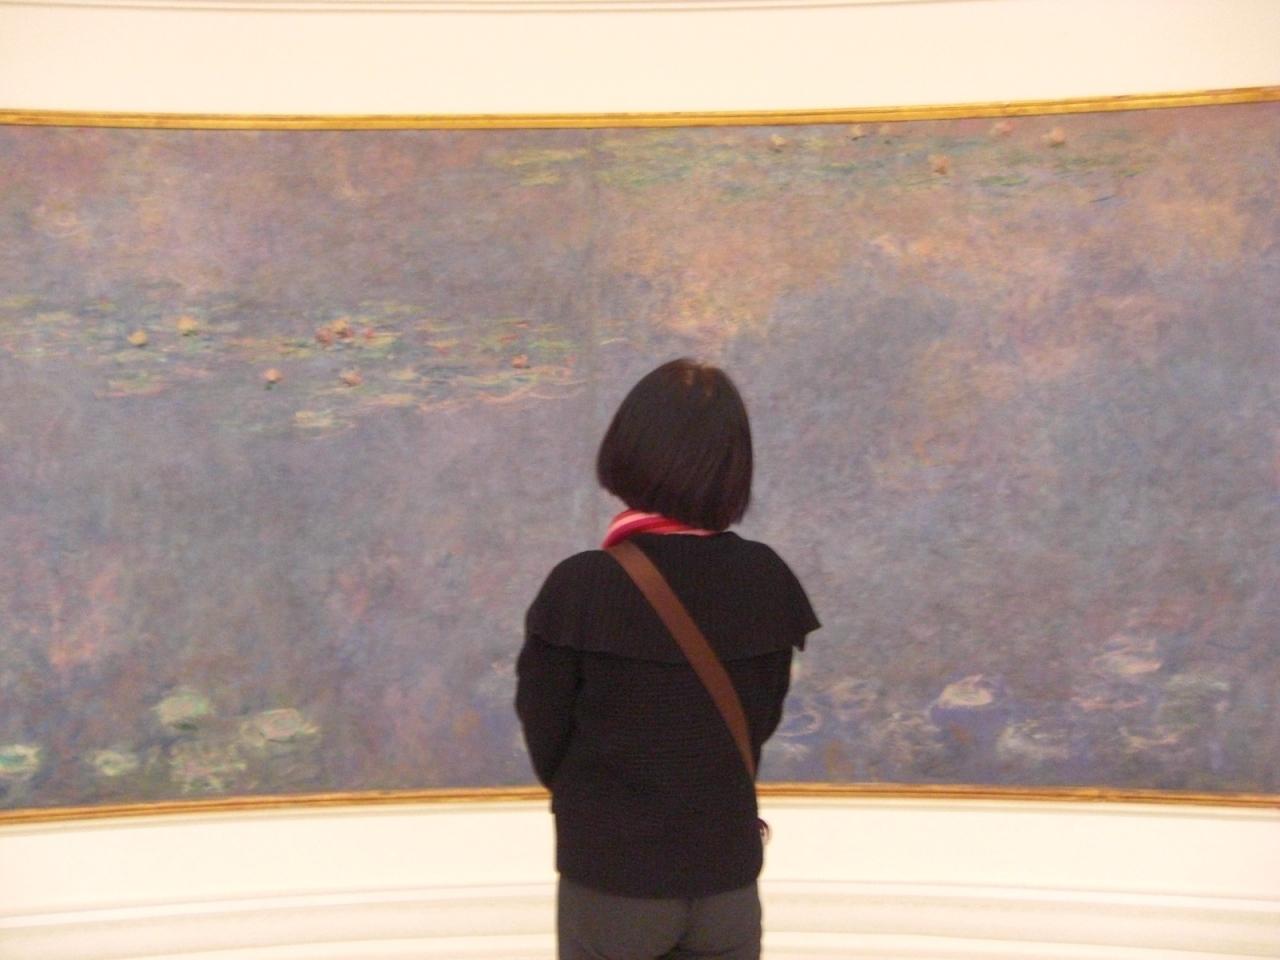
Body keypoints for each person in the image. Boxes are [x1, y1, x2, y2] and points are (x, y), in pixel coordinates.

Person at [515, 357, 820, 960]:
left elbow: (546, 733)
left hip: (613, 882)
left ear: (629, 449)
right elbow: (761, 719)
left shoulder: (581, 587)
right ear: (733, 465)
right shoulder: (766, 578)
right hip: (727, 881)